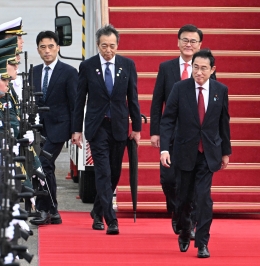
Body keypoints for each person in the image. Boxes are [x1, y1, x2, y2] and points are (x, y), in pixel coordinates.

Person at [160, 49, 231, 258]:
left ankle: (202, 243)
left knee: (203, 198)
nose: (199, 72)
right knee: (183, 198)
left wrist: (226, 152)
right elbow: (168, 120)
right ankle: (184, 230)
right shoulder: (180, 88)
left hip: (208, 153)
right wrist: (165, 149)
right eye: (196, 67)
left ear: (212, 70)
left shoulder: (220, 90)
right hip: (183, 152)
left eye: (204, 68)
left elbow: (223, 123)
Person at [72, 24, 141, 235]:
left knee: (115, 173)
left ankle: (96, 211)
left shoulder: (127, 65)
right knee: (103, 172)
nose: (108, 50)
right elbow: (79, 99)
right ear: (97, 45)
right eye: (104, 46)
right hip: (97, 126)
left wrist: (136, 127)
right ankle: (110, 219)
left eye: (112, 46)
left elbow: (133, 98)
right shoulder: (88, 66)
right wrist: (77, 130)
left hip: (119, 126)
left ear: (117, 45)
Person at [150, 24, 216, 238]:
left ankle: (191, 220)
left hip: (196, 137)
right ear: (178, 42)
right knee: (168, 180)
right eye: (185, 40)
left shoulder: (207, 69)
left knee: (195, 184)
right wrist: (156, 131)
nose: (189, 44)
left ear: (200, 45)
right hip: (172, 135)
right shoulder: (166, 67)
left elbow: (213, 106)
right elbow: (157, 100)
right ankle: (178, 211)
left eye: (193, 41)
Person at [29, 31, 78, 226]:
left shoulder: (69, 72)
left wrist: (76, 131)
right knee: (43, 166)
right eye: (43, 47)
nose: (47, 51)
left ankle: (42, 209)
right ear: (38, 50)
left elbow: (75, 103)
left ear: (58, 47)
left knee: (43, 163)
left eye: (50, 46)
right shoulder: (34, 72)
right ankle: (53, 210)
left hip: (60, 127)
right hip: (38, 129)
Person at [0, 17, 26, 100]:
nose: (22, 41)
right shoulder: (3, 66)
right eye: (18, 38)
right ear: (7, 40)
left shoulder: (14, 67)